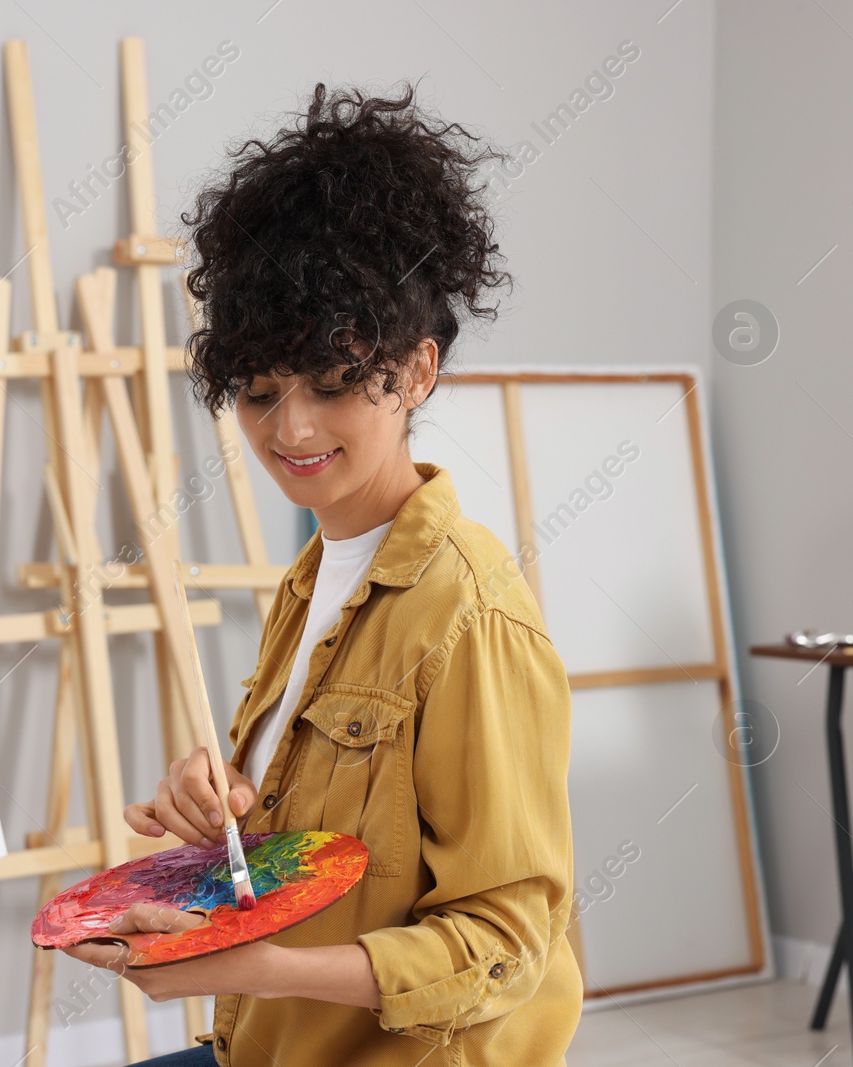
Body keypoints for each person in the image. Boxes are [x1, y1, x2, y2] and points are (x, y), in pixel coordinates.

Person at [59, 82, 581, 1065]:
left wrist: (258, 965)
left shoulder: (468, 618)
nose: (290, 429)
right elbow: (332, 853)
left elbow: (509, 948)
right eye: (258, 391)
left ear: (416, 371)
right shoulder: (314, 580)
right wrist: (222, 809)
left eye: (334, 385)